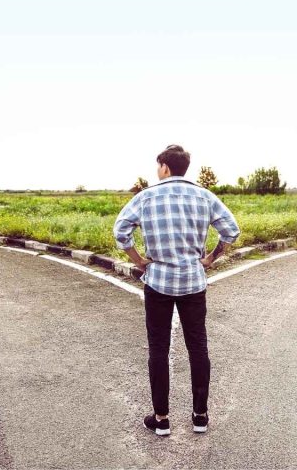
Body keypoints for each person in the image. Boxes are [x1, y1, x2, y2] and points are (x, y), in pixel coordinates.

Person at [113, 145, 240, 437]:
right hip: (193, 283)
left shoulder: (145, 197)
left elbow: (120, 232)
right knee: (198, 347)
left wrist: (139, 261)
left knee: (158, 349)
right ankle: (200, 416)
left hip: (158, 282)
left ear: (165, 167)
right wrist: (210, 258)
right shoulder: (205, 197)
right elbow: (231, 231)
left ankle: (161, 419)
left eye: (159, 166)